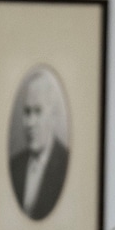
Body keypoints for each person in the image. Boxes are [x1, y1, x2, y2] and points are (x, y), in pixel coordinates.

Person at [9, 68, 70, 221]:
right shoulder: (15, 165)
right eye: (27, 112)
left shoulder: (65, 164)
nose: (30, 123)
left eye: (37, 111)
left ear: (53, 116)